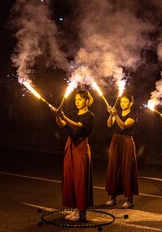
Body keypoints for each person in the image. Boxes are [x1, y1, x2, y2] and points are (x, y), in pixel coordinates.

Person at [52, 89, 95, 222]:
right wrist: (57, 116)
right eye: (75, 99)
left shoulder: (89, 116)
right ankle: (75, 208)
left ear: (87, 100)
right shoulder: (73, 113)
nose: (77, 102)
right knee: (70, 177)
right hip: (70, 146)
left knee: (80, 179)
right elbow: (62, 125)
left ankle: (82, 212)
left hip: (81, 147)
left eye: (80, 99)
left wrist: (63, 116)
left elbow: (77, 127)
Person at [105, 94, 139, 208]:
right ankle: (113, 197)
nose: (122, 104)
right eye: (121, 102)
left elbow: (123, 126)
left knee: (127, 169)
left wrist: (115, 115)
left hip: (126, 142)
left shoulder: (133, 114)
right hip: (115, 141)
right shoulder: (117, 112)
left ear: (130, 103)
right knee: (114, 168)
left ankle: (130, 199)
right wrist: (111, 115)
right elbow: (109, 125)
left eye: (125, 102)